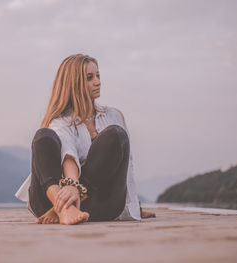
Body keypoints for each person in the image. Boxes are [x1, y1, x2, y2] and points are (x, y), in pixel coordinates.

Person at [15, 54, 155, 225]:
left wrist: (134, 206)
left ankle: (60, 209)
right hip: (49, 199)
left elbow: (124, 168)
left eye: (98, 75)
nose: (97, 82)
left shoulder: (114, 116)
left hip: (100, 203)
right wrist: (73, 186)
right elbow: (68, 156)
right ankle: (63, 207)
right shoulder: (59, 121)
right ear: (73, 83)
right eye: (89, 78)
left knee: (116, 135)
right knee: (43, 136)